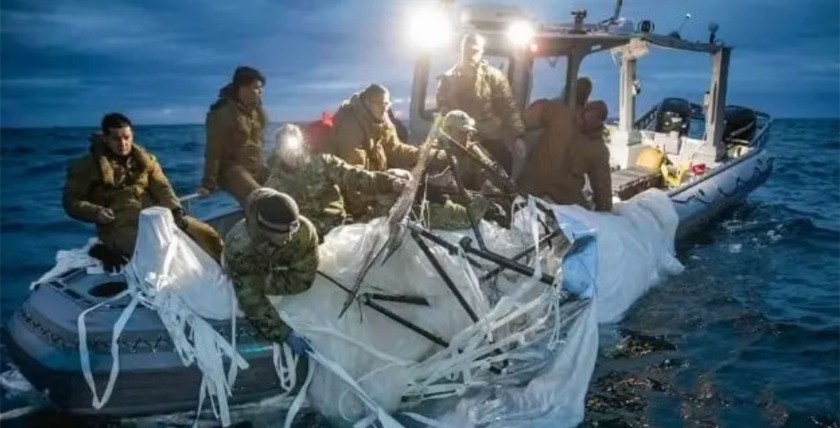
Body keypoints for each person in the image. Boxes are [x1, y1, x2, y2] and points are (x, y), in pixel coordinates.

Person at [63, 113, 224, 269]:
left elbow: (162, 187)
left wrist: (176, 210)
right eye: (116, 139)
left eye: (127, 137)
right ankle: (107, 250)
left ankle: (227, 270)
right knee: (152, 253)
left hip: (154, 214)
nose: (123, 143)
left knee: (207, 235)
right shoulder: (85, 167)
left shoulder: (146, 160)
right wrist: (96, 212)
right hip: (118, 224)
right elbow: (71, 201)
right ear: (105, 138)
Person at [265, 124, 407, 238]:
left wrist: (389, 182)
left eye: (294, 146)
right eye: (285, 148)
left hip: (338, 230)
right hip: (305, 241)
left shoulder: (323, 163)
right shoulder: (273, 183)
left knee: (389, 202)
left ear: (302, 144)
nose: (292, 153)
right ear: (278, 151)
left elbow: (356, 177)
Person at [223, 188, 318, 350]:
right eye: (282, 233)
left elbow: (304, 278)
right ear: (265, 229)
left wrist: (274, 276)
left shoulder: (304, 230)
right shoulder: (240, 246)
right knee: (245, 292)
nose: (289, 237)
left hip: (274, 268)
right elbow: (252, 300)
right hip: (249, 268)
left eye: (292, 230)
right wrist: (283, 333)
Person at [436, 32, 526, 174]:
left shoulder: (494, 77)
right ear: (462, 50)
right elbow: (443, 113)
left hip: (489, 136)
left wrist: (518, 137)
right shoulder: (447, 80)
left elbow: (508, 107)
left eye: (475, 51)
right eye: (468, 51)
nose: (471, 55)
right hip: (459, 138)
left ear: (481, 52)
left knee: (504, 162)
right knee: (443, 165)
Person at [521, 99, 612, 212]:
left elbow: (602, 184)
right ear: (585, 110)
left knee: (583, 220)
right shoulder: (561, 115)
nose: (591, 118)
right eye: (591, 113)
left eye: (598, 117)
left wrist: (605, 210)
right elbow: (539, 110)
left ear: (600, 122)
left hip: (565, 197)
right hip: (533, 185)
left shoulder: (598, 150)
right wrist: (516, 129)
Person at [198, 66, 270, 205]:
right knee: (261, 199)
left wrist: (258, 106)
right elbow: (213, 150)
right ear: (243, 88)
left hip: (255, 166)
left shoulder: (255, 110)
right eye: (256, 88)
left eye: (261, 88)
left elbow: (262, 130)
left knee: (285, 185)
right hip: (232, 170)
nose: (261, 92)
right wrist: (208, 184)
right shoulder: (222, 113)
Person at [519, 77, 594, 202]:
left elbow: (523, 120)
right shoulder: (588, 125)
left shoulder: (551, 108)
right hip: (562, 193)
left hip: (530, 186)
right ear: (586, 99)